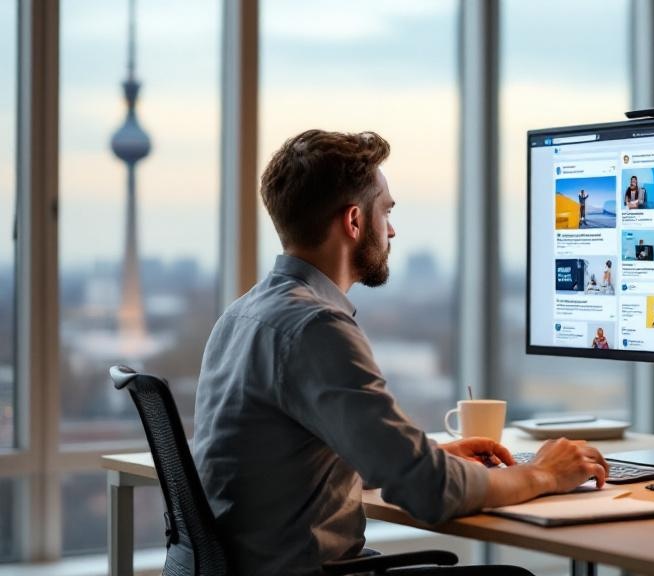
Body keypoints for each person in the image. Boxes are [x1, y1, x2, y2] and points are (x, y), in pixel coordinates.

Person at [193, 129, 609, 576]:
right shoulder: (316, 328)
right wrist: (544, 473)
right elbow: (429, 494)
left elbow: (294, 461)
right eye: (385, 211)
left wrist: (427, 456)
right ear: (354, 221)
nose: (391, 229)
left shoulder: (243, 314)